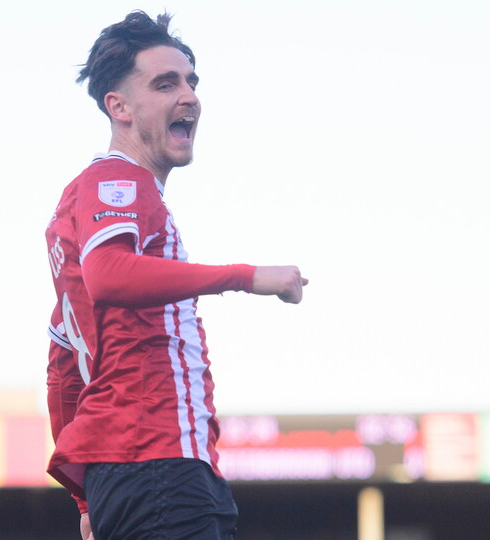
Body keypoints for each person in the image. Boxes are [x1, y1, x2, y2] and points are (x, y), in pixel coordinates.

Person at [45, 11, 307, 539]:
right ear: (117, 106)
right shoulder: (117, 179)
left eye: (191, 81)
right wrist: (246, 276)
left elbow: (63, 369)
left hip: (141, 472)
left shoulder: (82, 208)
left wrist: (85, 497)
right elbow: (110, 275)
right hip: (158, 462)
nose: (189, 95)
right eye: (166, 84)